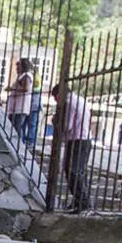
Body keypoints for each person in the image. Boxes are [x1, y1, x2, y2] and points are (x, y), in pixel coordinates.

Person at [51, 84, 93, 213]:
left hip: (76, 139)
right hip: (85, 138)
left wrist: (55, 120)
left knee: (72, 170)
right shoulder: (80, 99)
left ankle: (82, 202)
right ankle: (79, 201)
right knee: (80, 171)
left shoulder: (69, 103)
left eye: (55, 98)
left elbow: (66, 125)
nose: (56, 101)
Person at [6, 58, 33, 144]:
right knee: (14, 127)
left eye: (19, 66)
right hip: (16, 107)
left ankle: (18, 145)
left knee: (16, 128)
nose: (17, 68)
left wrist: (12, 89)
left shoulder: (26, 76)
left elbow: (26, 88)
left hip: (20, 107)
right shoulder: (21, 76)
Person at [26, 74, 43, 150]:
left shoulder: (34, 77)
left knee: (32, 125)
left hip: (33, 105)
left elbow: (36, 89)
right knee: (30, 125)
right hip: (30, 105)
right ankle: (29, 141)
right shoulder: (33, 76)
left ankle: (30, 142)